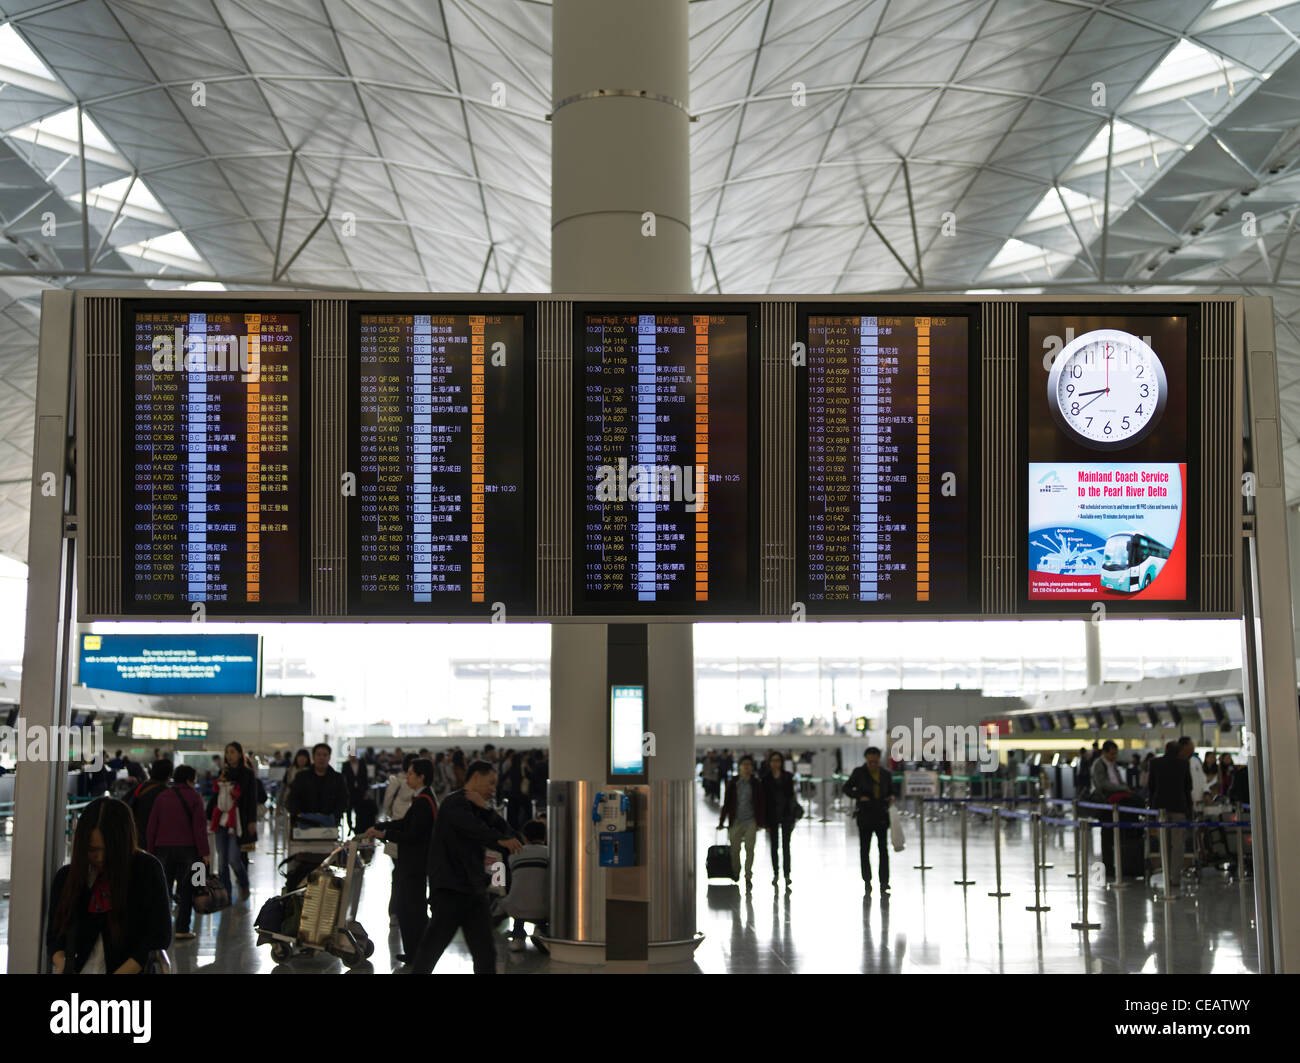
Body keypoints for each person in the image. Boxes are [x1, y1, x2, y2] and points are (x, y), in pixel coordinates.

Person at [410, 760, 521, 975]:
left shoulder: (478, 807)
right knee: (430, 953)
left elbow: (508, 833)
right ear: (476, 777)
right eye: (490, 783)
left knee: (485, 955)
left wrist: (486, 809)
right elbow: (474, 830)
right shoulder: (454, 803)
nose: (493, 789)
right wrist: (499, 840)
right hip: (450, 891)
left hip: (473, 891)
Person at [46, 797, 171, 974]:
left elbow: (159, 935)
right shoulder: (67, 877)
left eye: (109, 849)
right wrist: (61, 963)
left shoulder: (146, 870)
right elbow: (55, 935)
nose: (100, 857)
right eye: (92, 849)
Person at [366, 757, 437, 962]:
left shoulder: (424, 801)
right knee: (409, 907)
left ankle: (418, 952)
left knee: (412, 909)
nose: (408, 777)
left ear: (421, 777)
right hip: (412, 862)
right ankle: (415, 952)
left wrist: (383, 834)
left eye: (412, 773)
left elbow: (412, 834)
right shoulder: (422, 798)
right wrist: (382, 827)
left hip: (414, 863)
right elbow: (405, 823)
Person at [146, 764, 209, 940]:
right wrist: (204, 852)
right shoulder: (195, 797)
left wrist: (152, 851)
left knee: (163, 889)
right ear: (190, 780)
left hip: (163, 850)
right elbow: (199, 828)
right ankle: (182, 929)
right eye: (195, 779)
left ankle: (160, 929)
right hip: (188, 850)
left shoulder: (162, 797)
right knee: (187, 889)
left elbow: (152, 826)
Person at [206, 742, 257, 897]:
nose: (229, 755)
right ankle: (226, 894)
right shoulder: (223, 772)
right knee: (222, 860)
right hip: (221, 819)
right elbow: (216, 796)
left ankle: (243, 883)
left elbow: (251, 798)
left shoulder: (247, 774)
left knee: (234, 858)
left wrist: (252, 820)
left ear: (240, 754)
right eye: (227, 752)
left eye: (233, 752)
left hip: (237, 821)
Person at [843, 746, 895, 893]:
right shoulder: (859, 773)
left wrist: (891, 797)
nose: (873, 764)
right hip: (865, 814)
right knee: (864, 849)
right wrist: (859, 796)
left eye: (875, 761)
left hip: (881, 815)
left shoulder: (885, 774)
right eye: (870, 761)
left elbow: (891, 790)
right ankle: (867, 880)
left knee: (883, 849)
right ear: (866, 759)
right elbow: (846, 788)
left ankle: (884, 881)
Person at [1147, 737, 1194, 892]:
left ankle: (1166, 875)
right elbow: (1188, 787)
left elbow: (1151, 786)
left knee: (1164, 844)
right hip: (1179, 807)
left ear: (1165, 750)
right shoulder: (1183, 764)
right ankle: (1175, 877)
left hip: (1160, 808)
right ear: (1179, 751)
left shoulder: (1155, 763)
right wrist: (1189, 809)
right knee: (1178, 844)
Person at [382, 753, 419, 925]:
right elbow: (387, 803)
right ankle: (396, 911)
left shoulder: (421, 787)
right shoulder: (397, 782)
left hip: (411, 836)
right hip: (398, 835)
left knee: (404, 875)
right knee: (400, 875)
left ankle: (402, 910)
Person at [718, 754, 765, 889]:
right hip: (735, 820)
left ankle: (748, 874)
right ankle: (736, 871)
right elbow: (726, 803)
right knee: (734, 849)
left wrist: (761, 822)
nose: (746, 767)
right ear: (739, 767)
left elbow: (761, 803)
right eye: (744, 765)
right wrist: (722, 821)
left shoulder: (756, 783)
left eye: (749, 765)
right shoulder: (733, 783)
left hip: (751, 821)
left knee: (750, 848)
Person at [503, 819, 549, 952]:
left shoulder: (514, 855)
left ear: (524, 837)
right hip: (544, 910)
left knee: (521, 892)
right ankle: (541, 931)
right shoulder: (550, 853)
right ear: (545, 836)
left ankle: (518, 937)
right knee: (540, 895)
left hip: (515, 907)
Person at [760, 751, 797, 890]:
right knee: (774, 846)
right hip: (772, 816)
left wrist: (793, 815)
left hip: (786, 815)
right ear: (769, 763)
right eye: (773, 761)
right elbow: (764, 800)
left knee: (786, 846)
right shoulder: (766, 778)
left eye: (778, 760)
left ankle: (787, 874)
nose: (775, 763)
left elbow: (791, 797)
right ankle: (776, 873)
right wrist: (764, 821)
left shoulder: (787, 777)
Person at [127, 759, 171, 842]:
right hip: (158, 841)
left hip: (136, 837)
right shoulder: (168, 794)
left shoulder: (139, 788)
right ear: (169, 776)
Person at [342, 753, 370, 831]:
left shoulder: (361, 764)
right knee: (349, 809)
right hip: (349, 791)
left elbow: (365, 777)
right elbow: (343, 778)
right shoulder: (346, 765)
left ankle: (358, 826)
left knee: (360, 809)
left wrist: (366, 790)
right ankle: (350, 826)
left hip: (360, 790)